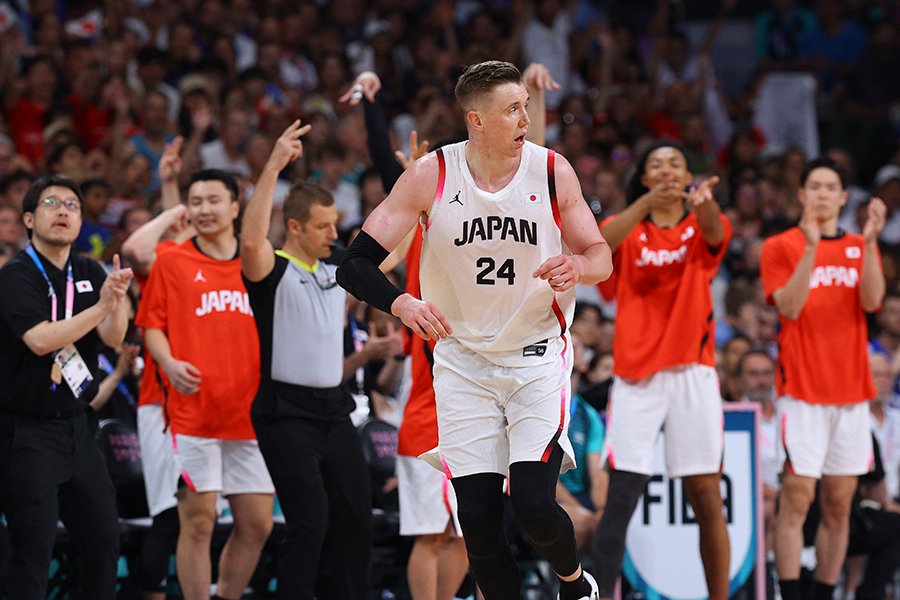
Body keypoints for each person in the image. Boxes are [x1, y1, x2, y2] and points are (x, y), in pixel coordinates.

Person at [337, 60, 612, 600]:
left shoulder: (553, 170)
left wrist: (579, 266)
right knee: (479, 527)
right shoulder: (429, 176)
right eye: (512, 109)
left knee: (534, 505)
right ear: (476, 120)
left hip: (535, 357)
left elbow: (599, 254)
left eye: (526, 108)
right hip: (462, 364)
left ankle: (575, 583)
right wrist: (400, 302)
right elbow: (355, 264)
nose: (525, 119)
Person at [592, 141, 732, 600]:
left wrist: (705, 204)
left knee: (706, 498)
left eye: (676, 162)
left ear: (690, 175)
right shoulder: (627, 227)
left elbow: (714, 233)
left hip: (693, 370)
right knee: (620, 499)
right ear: (645, 178)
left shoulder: (701, 221)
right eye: (657, 164)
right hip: (637, 377)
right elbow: (599, 247)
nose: (668, 169)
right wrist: (643, 206)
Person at [240, 121, 372, 600]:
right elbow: (250, 243)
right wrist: (273, 166)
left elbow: (390, 253)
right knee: (309, 522)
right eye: (323, 225)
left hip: (335, 411)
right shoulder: (272, 268)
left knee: (357, 518)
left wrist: (418, 199)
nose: (333, 232)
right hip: (285, 412)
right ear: (294, 226)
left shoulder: (338, 267)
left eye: (334, 223)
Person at [135, 169, 275, 600]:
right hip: (192, 414)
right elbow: (151, 324)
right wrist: (168, 361)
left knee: (257, 524)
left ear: (236, 208)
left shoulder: (258, 262)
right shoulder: (172, 260)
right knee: (199, 521)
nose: (204, 210)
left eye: (213, 200)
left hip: (250, 414)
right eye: (195, 202)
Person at [0, 174, 133, 599]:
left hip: (77, 427)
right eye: (52, 203)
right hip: (26, 431)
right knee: (33, 551)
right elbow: (40, 340)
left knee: (103, 540)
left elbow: (114, 338)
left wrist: (117, 301)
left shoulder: (91, 269)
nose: (63, 211)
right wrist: (100, 306)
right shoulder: (16, 275)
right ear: (28, 218)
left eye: (72, 205)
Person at [760, 156, 886, 600]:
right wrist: (812, 248)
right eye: (814, 186)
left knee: (839, 505)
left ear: (843, 196)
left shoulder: (858, 245)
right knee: (797, 500)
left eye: (831, 187)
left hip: (852, 396)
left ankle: (826, 594)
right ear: (801, 194)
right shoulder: (780, 246)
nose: (822, 194)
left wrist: (870, 244)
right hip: (803, 393)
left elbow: (873, 302)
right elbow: (789, 307)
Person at [120, 136, 195, 600]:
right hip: (159, 401)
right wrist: (170, 205)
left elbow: (176, 240)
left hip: (197, 405)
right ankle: (145, 592)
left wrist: (171, 191)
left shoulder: (193, 265)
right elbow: (141, 248)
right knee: (171, 515)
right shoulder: (161, 269)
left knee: (190, 515)